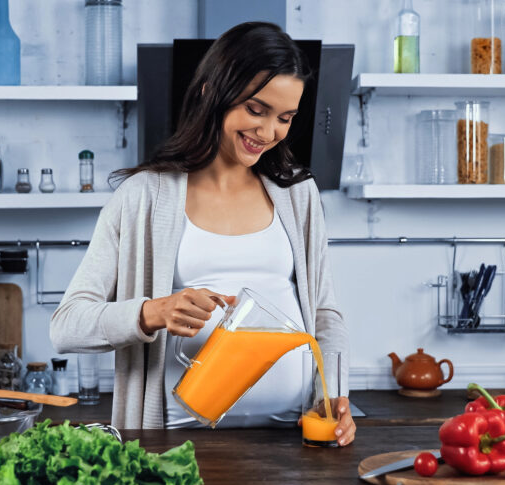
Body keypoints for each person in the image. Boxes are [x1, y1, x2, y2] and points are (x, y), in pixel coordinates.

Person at [50, 22, 354, 445]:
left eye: (285, 118)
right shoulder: (144, 197)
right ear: (212, 93)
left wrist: (334, 394)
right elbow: (66, 326)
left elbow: (324, 314)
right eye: (255, 110)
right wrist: (151, 313)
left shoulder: (297, 193)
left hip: (292, 442)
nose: (268, 134)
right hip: (178, 442)